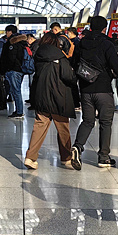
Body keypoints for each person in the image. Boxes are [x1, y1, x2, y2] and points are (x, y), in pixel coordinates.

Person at [70, 16, 118, 169]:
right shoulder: (107, 43)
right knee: (105, 123)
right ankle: (103, 157)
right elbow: (116, 66)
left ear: (90, 27)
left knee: (87, 121)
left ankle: (77, 147)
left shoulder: (82, 43)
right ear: (105, 28)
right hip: (103, 89)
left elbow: (74, 64)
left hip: (85, 89)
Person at [24, 32, 78, 169]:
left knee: (39, 127)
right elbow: (68, 77)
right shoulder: (61, 57)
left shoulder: (38, 56)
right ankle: (66, 158)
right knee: (63, 128)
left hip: (41, 96)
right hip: (59, 97)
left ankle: (30, 158)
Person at [0, 25, 27, 119]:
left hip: (14, 70)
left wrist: (6, 69)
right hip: (20, 69)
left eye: (6, 32)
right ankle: (18, 110)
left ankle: (19, 112)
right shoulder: (22, 42)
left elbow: (11, 58)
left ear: (10, 32)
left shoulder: (12, 43)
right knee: (16, 90)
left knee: (16, 91)